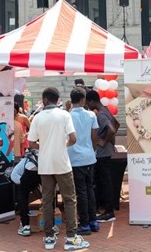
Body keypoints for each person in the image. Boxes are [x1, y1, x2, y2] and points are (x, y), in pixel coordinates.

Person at [27, 87, 90, 251]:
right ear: (57, 100)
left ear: (45, 100)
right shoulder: (64, 115)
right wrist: (63, 145)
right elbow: (73, 138)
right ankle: (71, 237)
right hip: (62, 163)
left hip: (45, 164)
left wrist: (45, 146)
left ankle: (48, 237)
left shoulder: (37, 118)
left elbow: (31, 143)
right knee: (69, 199)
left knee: (47, 201)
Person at [67, 87, 100, 235]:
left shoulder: (66, 116)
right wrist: (91, 151)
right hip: (89, 158)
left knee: (80, 192)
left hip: (74, 158)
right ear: (83, 99)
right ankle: (93, 221)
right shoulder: (91, 115)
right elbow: (95, 137)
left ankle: (85, 223)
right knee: (90, 189)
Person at [85, 89, 119, 223]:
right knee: (103, 180)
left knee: (103, 181)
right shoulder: (105, 110)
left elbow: (111, 128)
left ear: (92, 101)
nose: (87, 105)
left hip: (102, 153)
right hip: (107, 151)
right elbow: (116, 124)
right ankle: (106, 209)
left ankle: (109, 211)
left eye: (88, 102)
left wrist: (104, 141)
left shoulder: (100, 115)